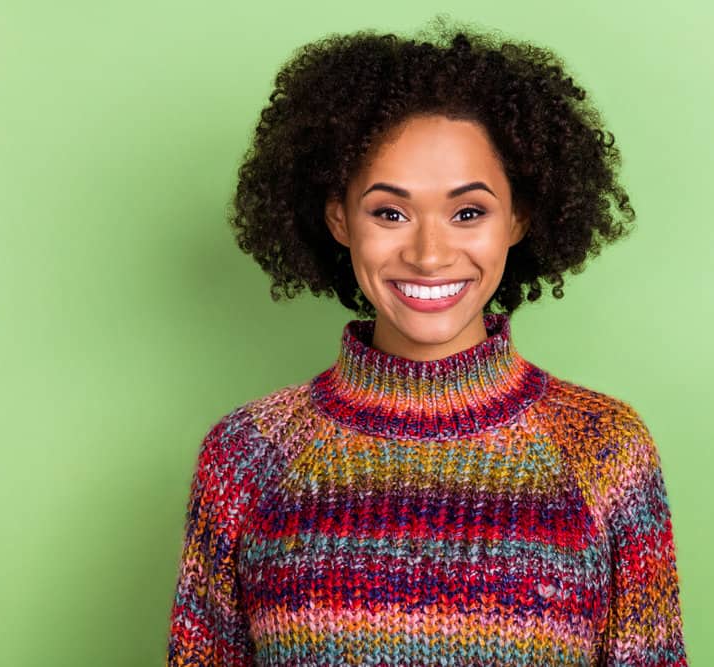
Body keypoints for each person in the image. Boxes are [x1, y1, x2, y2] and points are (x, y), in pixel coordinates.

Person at [166, 17, 687, 667]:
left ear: (519, 217)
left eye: (468, 211)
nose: (429, 252)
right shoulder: (247, 459)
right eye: (390, 211)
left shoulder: (603, 450)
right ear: (338, 216)